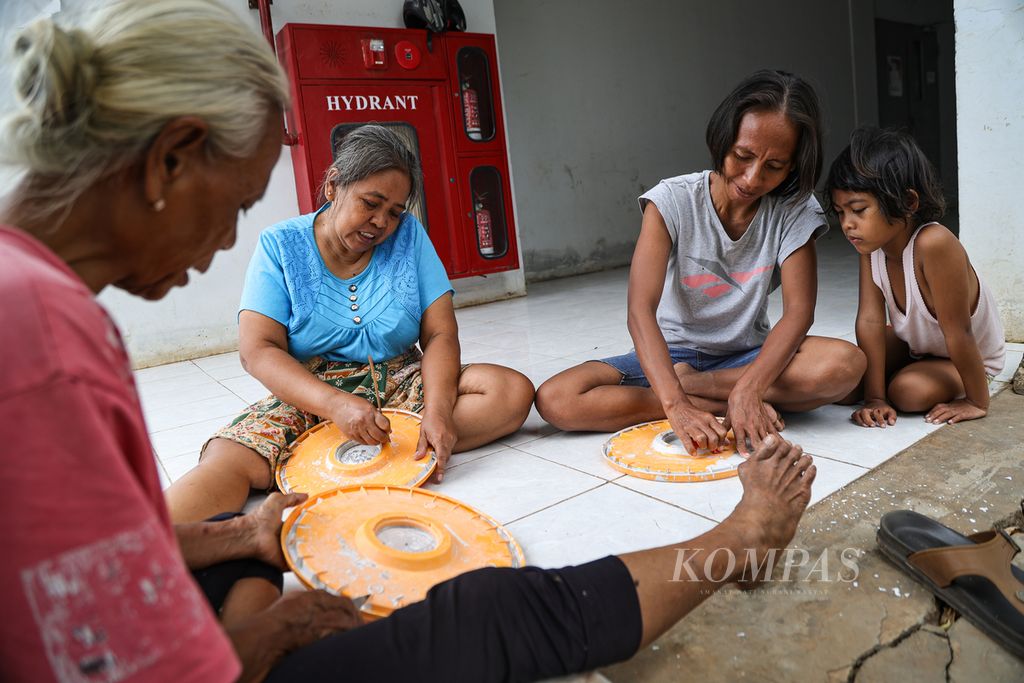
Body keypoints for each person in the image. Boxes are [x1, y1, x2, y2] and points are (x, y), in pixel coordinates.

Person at [0, 3, 817, 681]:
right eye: (231, 201)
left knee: (260, 544)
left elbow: (94, 566)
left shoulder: (28, 289)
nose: (220, 243)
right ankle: (737, 542)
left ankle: (247, 543)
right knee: (488, 614)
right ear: (169, 158)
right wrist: (276, 633)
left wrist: (242, 539)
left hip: (380, 396)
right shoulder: (45, 345)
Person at [164, 123, 535, 523]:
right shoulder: (281, 245)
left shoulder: (408, 236)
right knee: (228, 461)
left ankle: (342, 457)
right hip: (313, 396)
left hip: (401, 380)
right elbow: (257, 351)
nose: (381, 223)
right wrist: (335, 404)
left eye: (393, 212)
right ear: (334, 186)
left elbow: (440, 333)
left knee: (509, 392)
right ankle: (153, 545)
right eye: (370, 203)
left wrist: (439, 411)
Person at [537, 70, 865, 455]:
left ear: (793, 166)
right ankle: (711, 401)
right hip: (672, 354)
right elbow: (640, 310)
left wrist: (749, 386)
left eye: (774, 166)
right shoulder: (672, 200)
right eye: (742, 156)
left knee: (845, 365)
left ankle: (705, 390)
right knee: (556, 399)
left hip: (748, 357)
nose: (752, 177)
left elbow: (798, 313)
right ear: (723, 139)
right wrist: (673, 405)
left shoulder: (795, 209)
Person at [825, 127, 1005, 427]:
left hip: (966, 357)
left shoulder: (933, 244)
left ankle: (932, 379)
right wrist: (874, 398)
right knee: (841, 381)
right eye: (840, 213)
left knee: (907, 392)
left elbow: (959, 331)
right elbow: (869, 319)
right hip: (920, 348)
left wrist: (976, 400)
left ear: (908, 202)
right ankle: (897, 376)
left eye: (858, 210)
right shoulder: (871, 248)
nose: (847, 224)